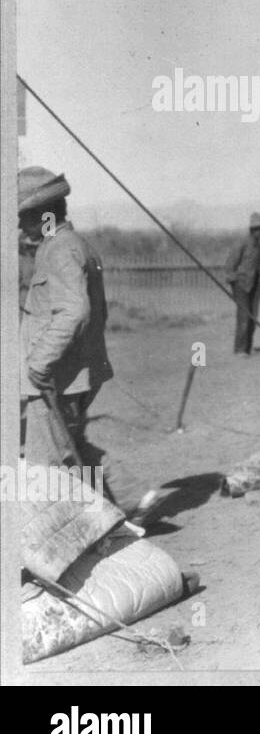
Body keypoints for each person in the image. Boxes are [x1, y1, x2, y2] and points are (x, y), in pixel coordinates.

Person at [18, 167, 131, 507]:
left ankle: (80, 543)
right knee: (73, 449)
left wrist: (39, 363)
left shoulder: (59, 250)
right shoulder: (75, 244)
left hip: (56, 377)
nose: (20, 227)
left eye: (25, 218)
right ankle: (123, 509)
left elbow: (74, 311)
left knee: (47, 470)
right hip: (75, 373)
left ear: (45, 216)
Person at [224, 212, 260, 356]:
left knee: (253, 317)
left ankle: (248, 348)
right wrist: (233, 280)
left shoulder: (259, 247)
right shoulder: (241, 244)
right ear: (251, 230)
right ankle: (239, 350)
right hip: (241, 285)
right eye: (257, 229)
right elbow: (230, 265)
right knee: (244, 316)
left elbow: (259, 266)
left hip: (255, 284)